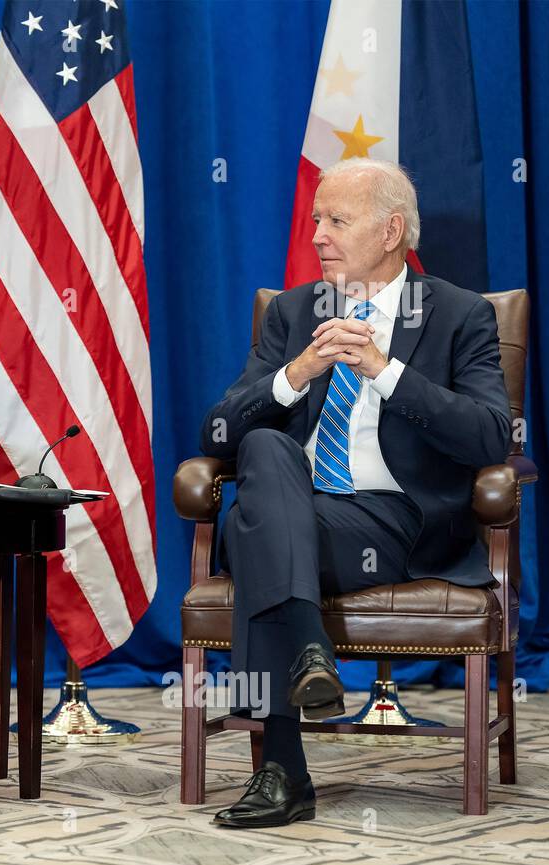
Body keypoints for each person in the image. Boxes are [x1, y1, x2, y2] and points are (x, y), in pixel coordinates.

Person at [198, 158, 510, 827]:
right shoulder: (292, 312)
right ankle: (309, 651)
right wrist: (297, 371)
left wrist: (385, 369)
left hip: (391, 522)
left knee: (258, 531)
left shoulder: (459, 315)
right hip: (295, 509)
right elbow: (219, 430)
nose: (317, 236)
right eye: (316, 219)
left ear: (392, 230)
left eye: (336, 220)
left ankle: (282, 772)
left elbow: (490, 437)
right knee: (262, 447)